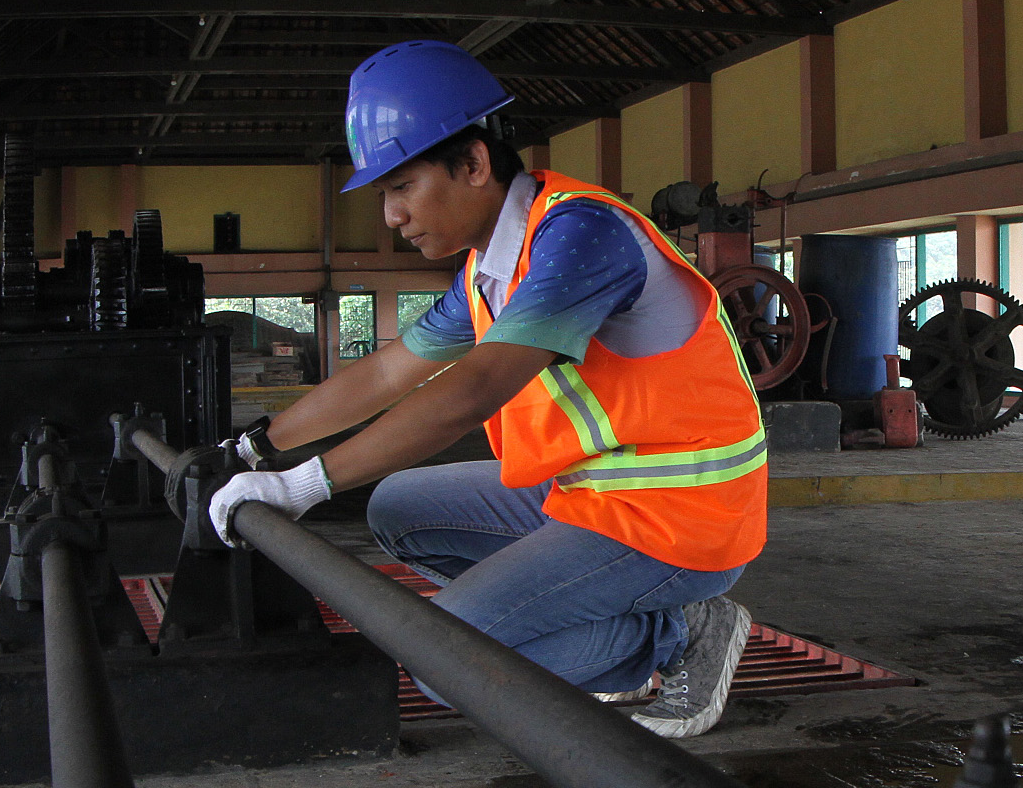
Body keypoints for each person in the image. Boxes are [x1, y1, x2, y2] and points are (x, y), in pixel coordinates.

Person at [206, 41, 767, 739]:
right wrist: (254, 450)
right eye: (385, 195)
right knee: (397, 508)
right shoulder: (487, 270)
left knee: (447, 662)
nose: (391, 216)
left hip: (681, 513)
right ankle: (581, 623)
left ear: (473, 163)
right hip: (588, 492)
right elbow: (386, 373)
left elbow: (472, 392)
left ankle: (678, 633)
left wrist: (302, 486)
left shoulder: (583, 234)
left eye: (401, 187)